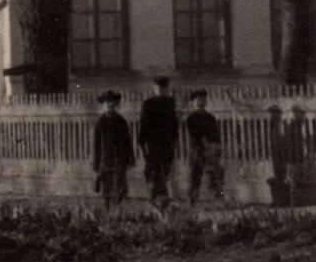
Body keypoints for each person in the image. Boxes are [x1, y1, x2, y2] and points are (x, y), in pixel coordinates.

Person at [137, 76, 180, 209]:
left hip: (167, 143)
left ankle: (162, 199)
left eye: (164, 88)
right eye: (158, 88)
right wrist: (142, 144)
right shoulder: (148, 104)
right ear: (154, 89)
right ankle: (154, 199)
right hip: (153, 143)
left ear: (167, 89)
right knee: (154, 171)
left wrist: (174, 140)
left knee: (166, 170)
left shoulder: (170, 103)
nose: (161, 91)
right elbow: (143, 125)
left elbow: (174, 124)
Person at [91, 90, 134, 212]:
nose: (110, 105)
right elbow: (96, 145)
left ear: (116, 104)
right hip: (105, 162)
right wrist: (96, 165)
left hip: (119, 161)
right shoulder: (100, 123)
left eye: (112, 102)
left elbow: (127, 142)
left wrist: (130, 159)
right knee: (106, 190)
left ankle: (116, 211)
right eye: (107, 102)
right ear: (103, 105)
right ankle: (108, 211)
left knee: (120, 188)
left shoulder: (121, 121)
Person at [184, 89, 225, 205]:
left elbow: (216, 134)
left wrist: (215, 148)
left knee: (215, 177)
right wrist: (204, 144)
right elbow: (194, 135)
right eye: (198, 100)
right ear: (194, 102)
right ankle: (192, 200)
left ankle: (219, 198)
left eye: (203, 100)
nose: (201, 102)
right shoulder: (191, 118)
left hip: (211, 151)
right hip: (197, 151)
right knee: (195, 176)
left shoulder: (210, 117)